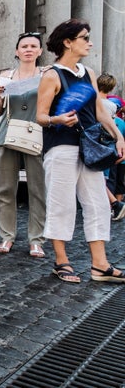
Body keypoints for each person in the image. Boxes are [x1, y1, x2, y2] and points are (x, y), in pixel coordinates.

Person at [35, 18, 125, 284]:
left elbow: (98, 109)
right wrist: (57, 119)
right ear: (68, 42)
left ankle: (100, 265)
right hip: (60, 146)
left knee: (97, 204)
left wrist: (118, 135)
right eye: (85, 37)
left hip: (89, 148)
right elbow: (40, 116)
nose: (90, 42)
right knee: (61, 204)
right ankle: (61, 262)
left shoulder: (88, 73)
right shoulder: (52, 75)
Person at [0, 31, 47, 257]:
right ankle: (7, 237)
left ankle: (36, 239)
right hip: (7, 134)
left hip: (36, 134)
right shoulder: (6, 75)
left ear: (40, 51)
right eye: (24, 46)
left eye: (33, 46)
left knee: (37, 190)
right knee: (5, 189)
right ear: (17, 51)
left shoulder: (46, 74)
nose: (28, 49)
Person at [96, 74, 125, 221]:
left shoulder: (95, 103)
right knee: (103, 178)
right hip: (107, 144)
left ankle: (112, 204)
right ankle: (113, 204)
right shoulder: (113, 106)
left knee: (96, 177)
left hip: (95, 143)